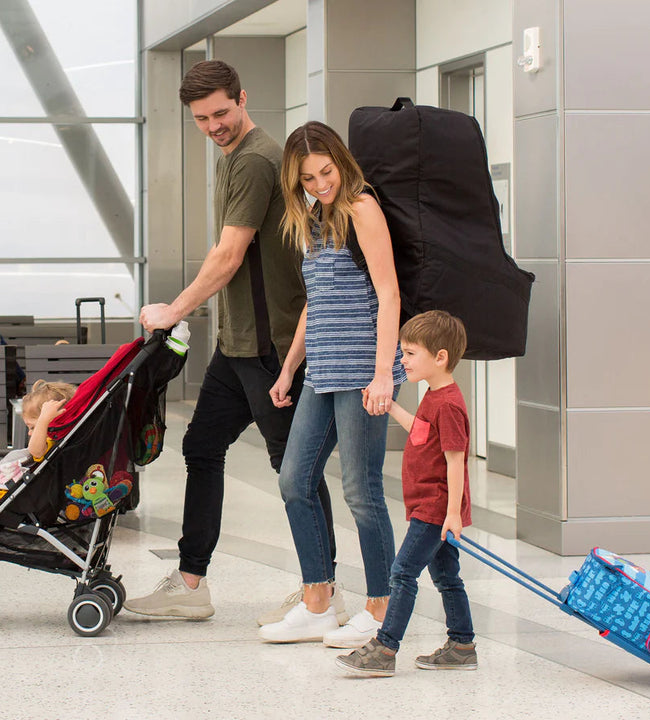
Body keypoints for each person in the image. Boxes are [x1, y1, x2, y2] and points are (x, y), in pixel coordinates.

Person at [124, 61, 342, 622]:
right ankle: (192, 585)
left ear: (243, 98)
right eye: (202, 118)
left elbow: (229, 254)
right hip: (238, 339)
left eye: (222, 112)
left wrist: (173, 310)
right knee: (202, 448)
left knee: (295, 469)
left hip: (271, 344)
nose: (214, 125)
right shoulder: (233, 156)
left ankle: (324, 592)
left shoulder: (255, 159)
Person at [258, 121, 406, 647]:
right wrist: (289, 367)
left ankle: (382, 607)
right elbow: (315, 302)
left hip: (365, 369)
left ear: (341, 162)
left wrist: (385, 372)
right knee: (294, 480)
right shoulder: (313, 218)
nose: (321, 184)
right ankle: (318, 602)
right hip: (322, 369)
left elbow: (388, 295)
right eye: (308, 177)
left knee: (362, 491)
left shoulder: (362, 209)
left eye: (326, 172)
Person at [335, 310, 477, 677]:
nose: (403, 360)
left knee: (401, 574)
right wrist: (390, 406)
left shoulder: (448, 404)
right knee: (447, 577)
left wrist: (452, 514)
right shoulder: (435, 395)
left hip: (435, 509)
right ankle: (462, 644)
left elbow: (456, 460)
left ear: (440, 357)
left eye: (411, 353)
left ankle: (385, 648)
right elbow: (421, 433)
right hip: (430, 507)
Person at [0, 379, 75, 515]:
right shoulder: (60, 444)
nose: (29, 433)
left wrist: (43, 420)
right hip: (10, 497)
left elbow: (36, 451)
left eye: (32, 427)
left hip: (7, 501)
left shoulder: (49, 444)